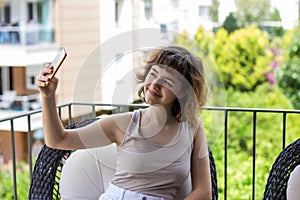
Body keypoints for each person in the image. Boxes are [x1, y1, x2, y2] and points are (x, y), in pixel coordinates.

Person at [36, 45, 212, 200]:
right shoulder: (124, 124)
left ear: (182, 91)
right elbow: (58, 140)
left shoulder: (193, 128)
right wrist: (47, 96)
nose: (154, 84)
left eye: (166, 81)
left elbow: (204, 192)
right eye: (153, 74)